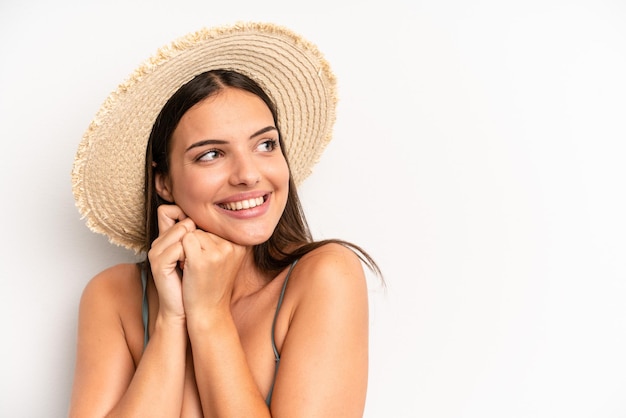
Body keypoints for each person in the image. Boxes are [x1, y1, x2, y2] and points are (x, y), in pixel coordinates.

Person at [69, 22, 381, 417]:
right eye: (211, 154)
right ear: (163, 181)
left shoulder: (324, 276)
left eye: (265, 144)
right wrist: (171, 318)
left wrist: (210, 313)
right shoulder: (112, 295)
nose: (249, 174)